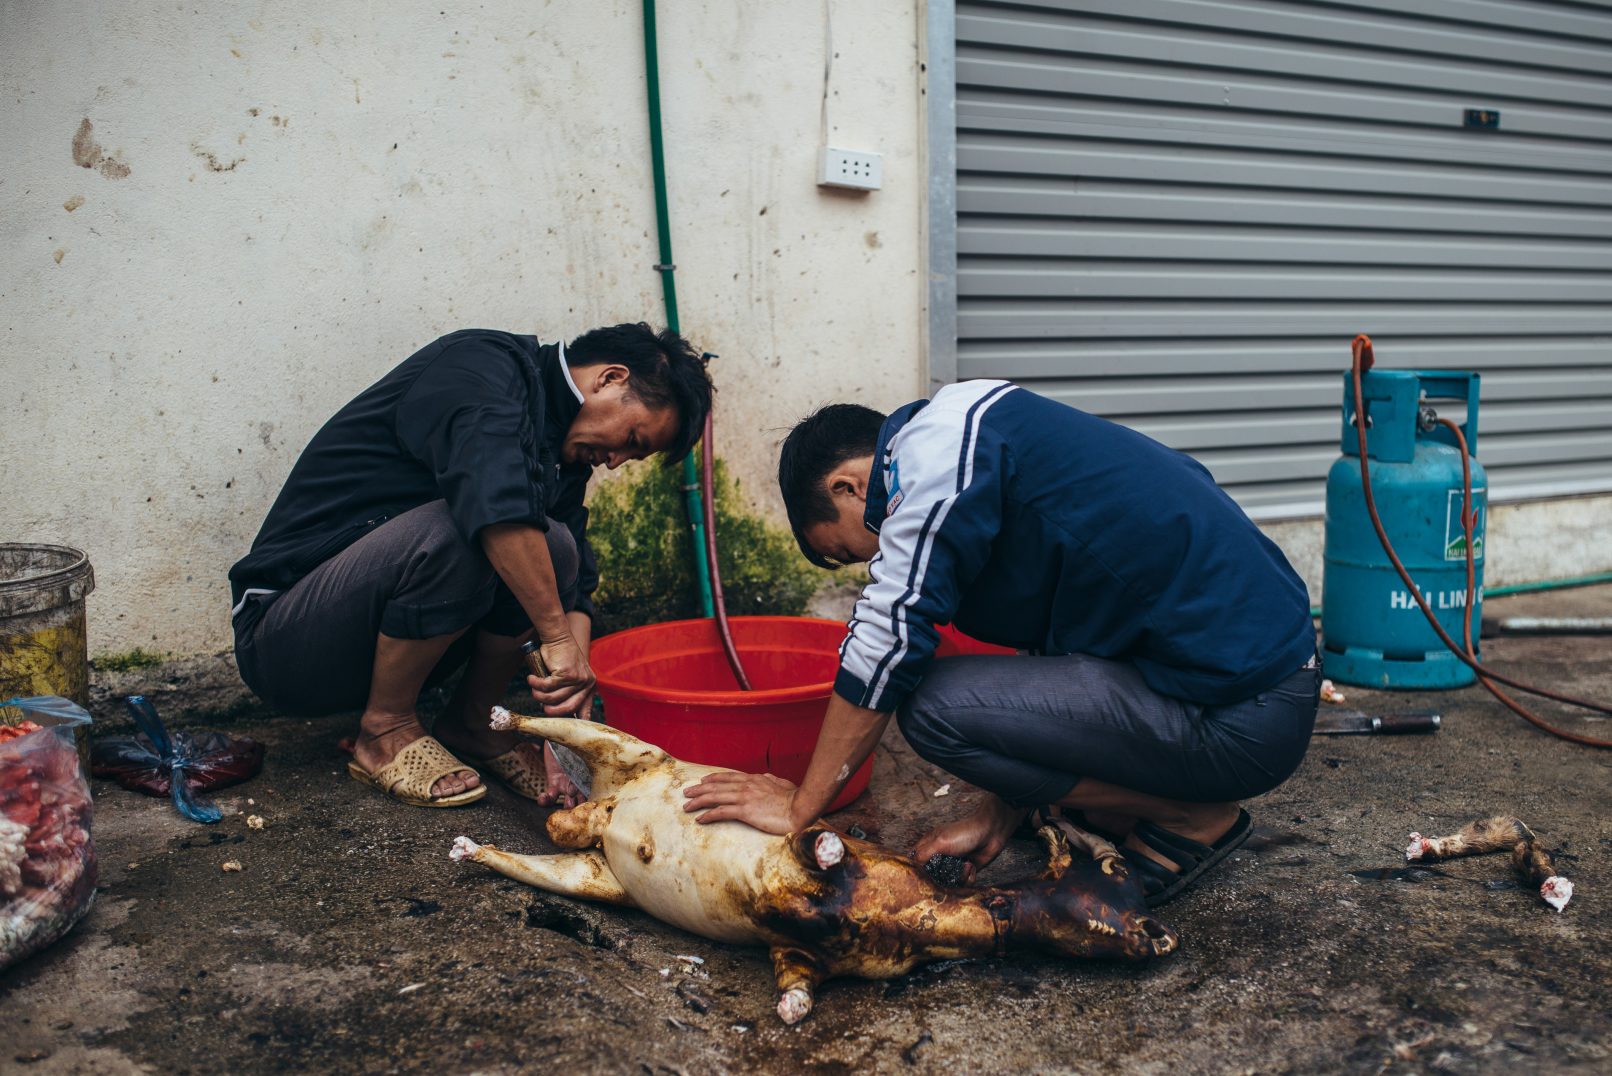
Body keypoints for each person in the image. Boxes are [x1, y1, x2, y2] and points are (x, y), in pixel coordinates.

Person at [683, 379, 1317, 905]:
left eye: (855, 550)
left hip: (1243, 718)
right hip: (1254, 691)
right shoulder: (987, 428)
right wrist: (1004, 808)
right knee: (958, 687)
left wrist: (801, 805)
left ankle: (1190, 816)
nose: (877, 561)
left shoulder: (935, 452)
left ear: (850, 487)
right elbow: (1054, 656)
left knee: (930, 707)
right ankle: (1146, 801)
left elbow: (886, 638)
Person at [230, 324, 713, 809]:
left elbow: (574, 585)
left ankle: (472, 723)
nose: (615, 461)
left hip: (371, 652)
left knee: (557, 547)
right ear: (609, 378)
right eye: (631, 438)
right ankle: (385, 729)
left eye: (632, 457)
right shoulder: (481, 366)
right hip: (285, 638)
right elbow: (492, 500)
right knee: (462, 529)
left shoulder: (563, 453)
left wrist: (571, 731)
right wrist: (557, 641)